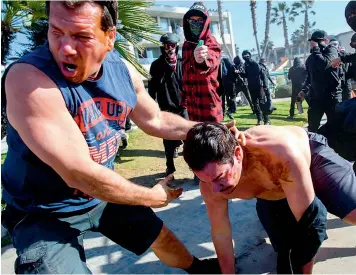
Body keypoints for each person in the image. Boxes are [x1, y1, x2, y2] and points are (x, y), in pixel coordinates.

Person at [0, 2, 228, 273]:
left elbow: (155, 119)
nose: (65, 48)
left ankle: (198, 269)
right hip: (43, 210)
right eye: (56, 31)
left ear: (110, 38)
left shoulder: (121, 71)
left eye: (81, 36)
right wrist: (152, 197)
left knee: (161, 236)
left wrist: (209, 130)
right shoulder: (28, 79)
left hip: (101, 196)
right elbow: (80, 174)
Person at [183, 122, 356, 274]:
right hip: (274, 190)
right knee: (284, 254)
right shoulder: (210, 185)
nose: (214, 189)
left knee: (351, 213)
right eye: (205, 180)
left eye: (219, 177)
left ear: (237, 154)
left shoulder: (278, 156)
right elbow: (221, 234)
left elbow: (309, 226)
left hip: (311, 155)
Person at [148, 33, 187, 176]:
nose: (169, 48)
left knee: (189, 137)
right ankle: (170, 167)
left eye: (172, 45)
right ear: (162, 47)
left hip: (184, 107)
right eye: (166, 45)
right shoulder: (156, 65)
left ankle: (195, 168)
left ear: (176, 46)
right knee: (168, 140)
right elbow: (152, 89)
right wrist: (152, 107)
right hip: (166, 108)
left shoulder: (184, 62)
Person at [181, 1, 223, 123]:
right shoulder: (186, 45)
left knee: (214, 139)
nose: (195, 24)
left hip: (209, 105)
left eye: (199, 20)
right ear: (187, 22)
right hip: (192, 107)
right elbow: (184, 72)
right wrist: (183, 99)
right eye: (192, 21)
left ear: (205, 22)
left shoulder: (212, 42)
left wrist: (203, 59)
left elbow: (212, 60)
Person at [300, 30, 342, 132]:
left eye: (317, 41)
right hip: (316, 97)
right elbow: (310, 77)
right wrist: (304, 90)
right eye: (313, 42)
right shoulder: (311, 58)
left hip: (332, 96)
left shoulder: (332, 50)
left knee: (336, 126)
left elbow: (325, 65)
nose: (314, 44)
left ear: (326, 41)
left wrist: (316, 49)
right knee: (312, 126)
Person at [239, 50, 269, 125]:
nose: (245, 57)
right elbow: (247, 75)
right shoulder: (246, 65)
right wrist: (240, 73)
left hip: (259, 87)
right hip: (251, 87)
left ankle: (267, 120)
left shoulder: (255, 64)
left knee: (262, 103)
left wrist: (265, 85)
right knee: (255, 104)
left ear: (249, 56)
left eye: (246, 56)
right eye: (243, 56)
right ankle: (259, 119)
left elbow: (263, 75)